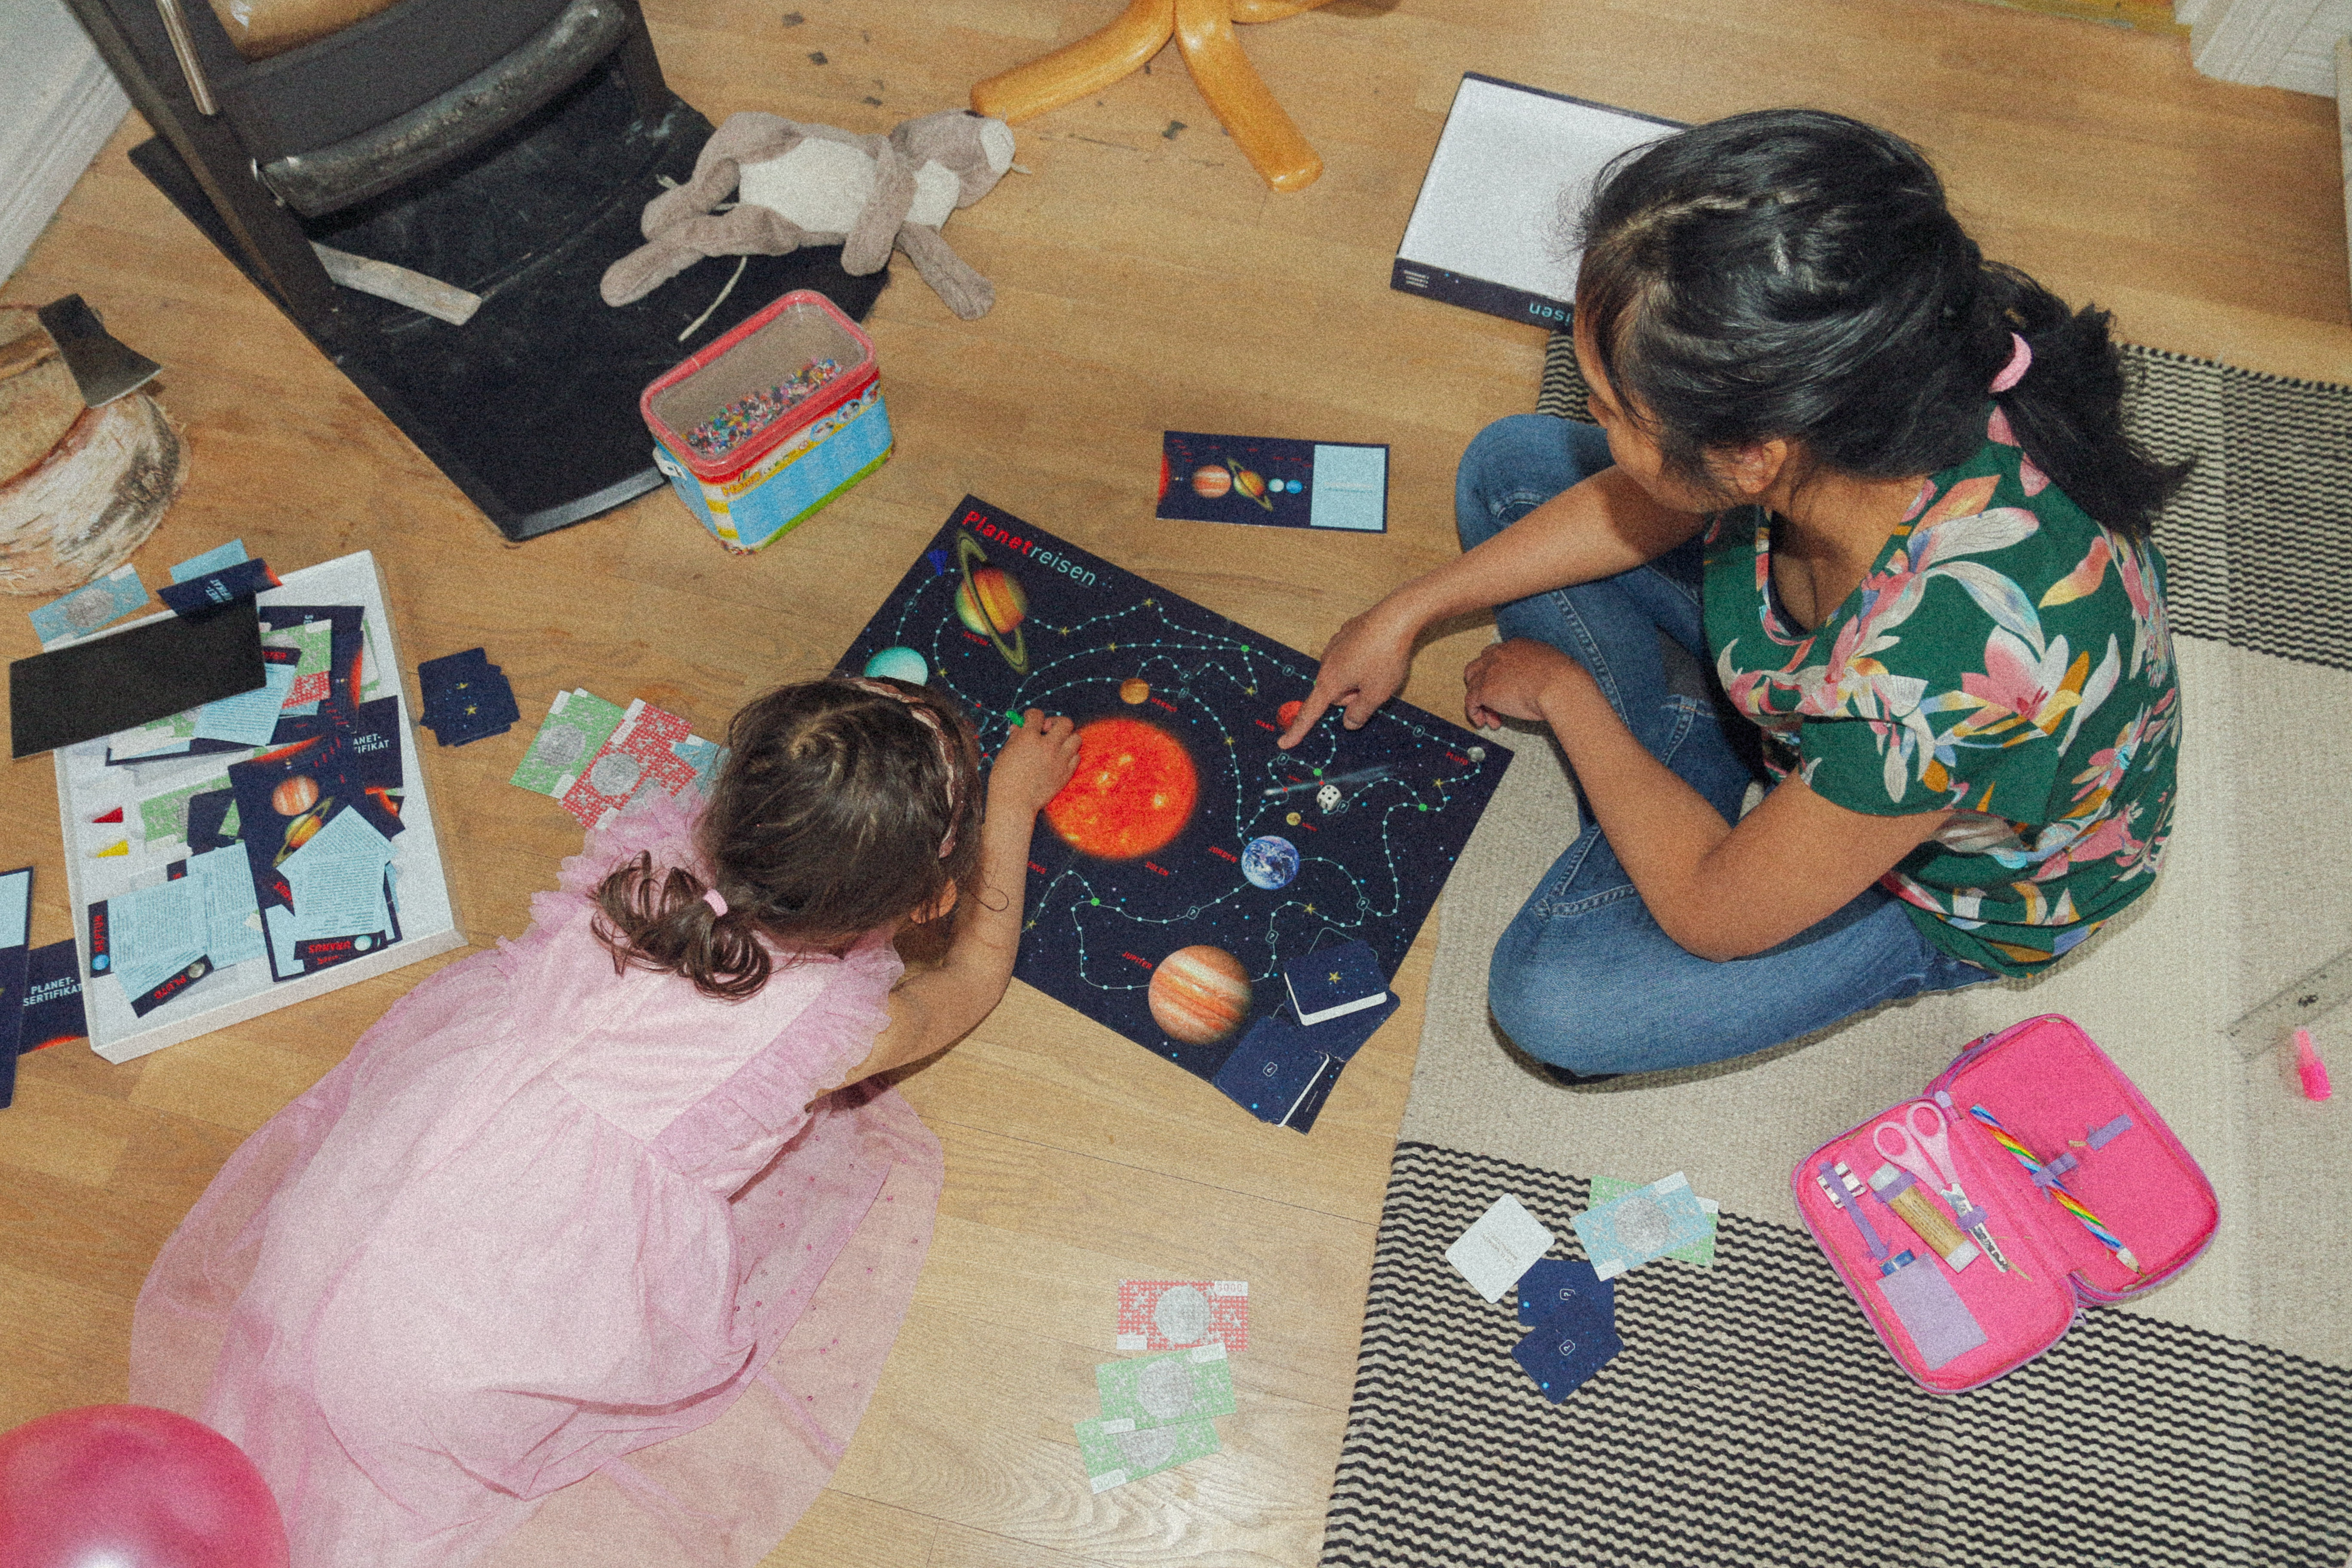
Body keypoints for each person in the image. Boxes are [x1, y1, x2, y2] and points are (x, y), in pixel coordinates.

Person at [1280, 109, 2186, 1081]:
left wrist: (1564, 697)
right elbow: (1663, 498)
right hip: (1825, 699)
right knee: (1512, 467)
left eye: (1613, 407)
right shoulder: (1884, 380)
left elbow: (1715, 919)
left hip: (1939, 878)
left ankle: (1698, 783)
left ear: (1755, 454)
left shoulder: (1929, 692)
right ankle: (1699, 773)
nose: (1590, 415)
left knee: (1555, 999)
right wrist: (1406, 610)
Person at [128, 678, 1081, 1568]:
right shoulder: (836, 1030)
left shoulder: (640, 859)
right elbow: (972, 978)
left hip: (361, 1219)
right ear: (929, 901)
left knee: (363, 1287)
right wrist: (1014, 805)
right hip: (470, 1345)